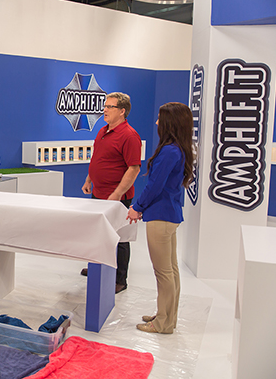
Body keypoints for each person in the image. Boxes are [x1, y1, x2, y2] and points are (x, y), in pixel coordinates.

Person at [126, 102, 194, 334]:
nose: (156, 122)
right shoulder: (179, 149)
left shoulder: (168, 152)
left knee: (164, 272)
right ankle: (167, 316)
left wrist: (137, 207)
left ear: (170, 122)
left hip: (161, 216)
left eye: (160, 118)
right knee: (171, 270)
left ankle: (163, 322)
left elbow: (155, 186)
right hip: (169, 214)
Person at [81, 92, 142, 294]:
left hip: (117, 197)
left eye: (110, 107)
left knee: (120, 238)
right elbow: (97, 158)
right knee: (97, 233)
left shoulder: (130, 136)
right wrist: (89, 179)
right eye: (105, 106)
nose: (104, 110)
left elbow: (133, 168)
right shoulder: (103, 131)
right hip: (98, 193)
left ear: (122, 111)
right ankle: (97, 267)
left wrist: (117, 194)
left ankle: (120, 279)